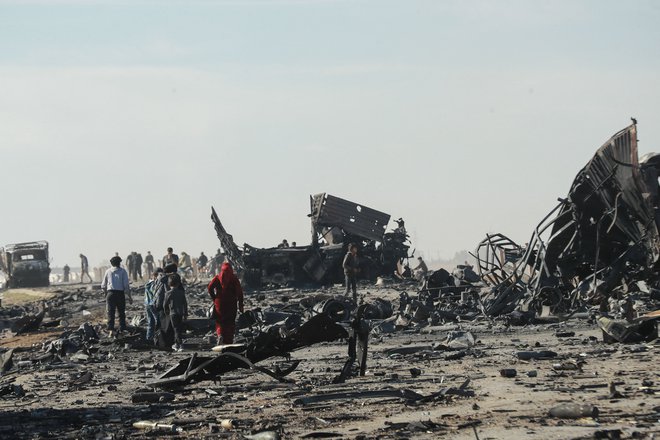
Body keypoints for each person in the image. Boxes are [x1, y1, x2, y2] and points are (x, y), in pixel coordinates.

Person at [207, 262, 244, 345]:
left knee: (220, 322)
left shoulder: (217, 277)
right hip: (231, 304)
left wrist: (214, 298)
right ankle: (228, 341)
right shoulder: (233, 278)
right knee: (230, 322)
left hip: (219, 303)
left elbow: (210, 287)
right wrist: (241, 305)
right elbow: (239, 292)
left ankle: (220, 335)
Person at [101, 256, 132, 338]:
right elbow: (126, 286)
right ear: (119, 263)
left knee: (111, 313)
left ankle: (111, 331)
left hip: (110, 293)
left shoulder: (108, 271)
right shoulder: (123, 271)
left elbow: (103, 285)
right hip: (120, 294)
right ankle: (122, 330)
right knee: (121, 312)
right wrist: (129, 297)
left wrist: (105, 294)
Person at [164, 273, 187, 352]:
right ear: (178, 283)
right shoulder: (181, 293)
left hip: (173, 313)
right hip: (180, 313)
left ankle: (180, 345)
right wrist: (185, 314)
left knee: (176, 329)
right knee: (178, 329)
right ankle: (177, 344)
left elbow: (165, 304)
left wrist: (166, 311)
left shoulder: (168, 293)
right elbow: (185, 303)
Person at [144, 268, 162, 343]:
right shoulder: (155, 284)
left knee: (150, 322)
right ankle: (158, 338)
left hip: (147, 304)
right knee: (158, 322)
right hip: (153, 304)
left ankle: (149, 338)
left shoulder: (148, 283)